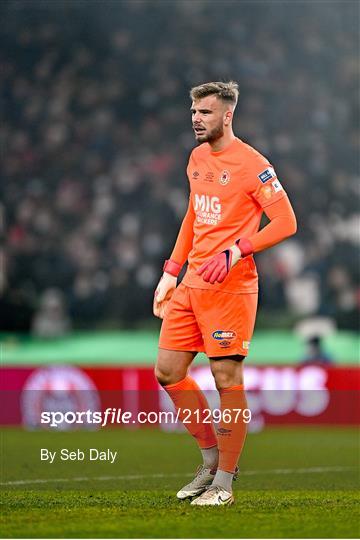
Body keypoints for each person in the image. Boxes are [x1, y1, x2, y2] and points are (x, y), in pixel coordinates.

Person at [153, 81, 297, 506]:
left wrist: (238, 249)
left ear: (227, 115)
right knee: (167, 372)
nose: (196, 119)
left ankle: (224, 485)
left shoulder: (253, 164)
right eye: (194, 111)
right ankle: (210, 462)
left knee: (226, 379)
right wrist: (170, 272)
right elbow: (194, 215)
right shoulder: (196, 158)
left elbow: (286, 222)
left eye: (206, 112)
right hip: (191, 283)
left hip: (231, 289)